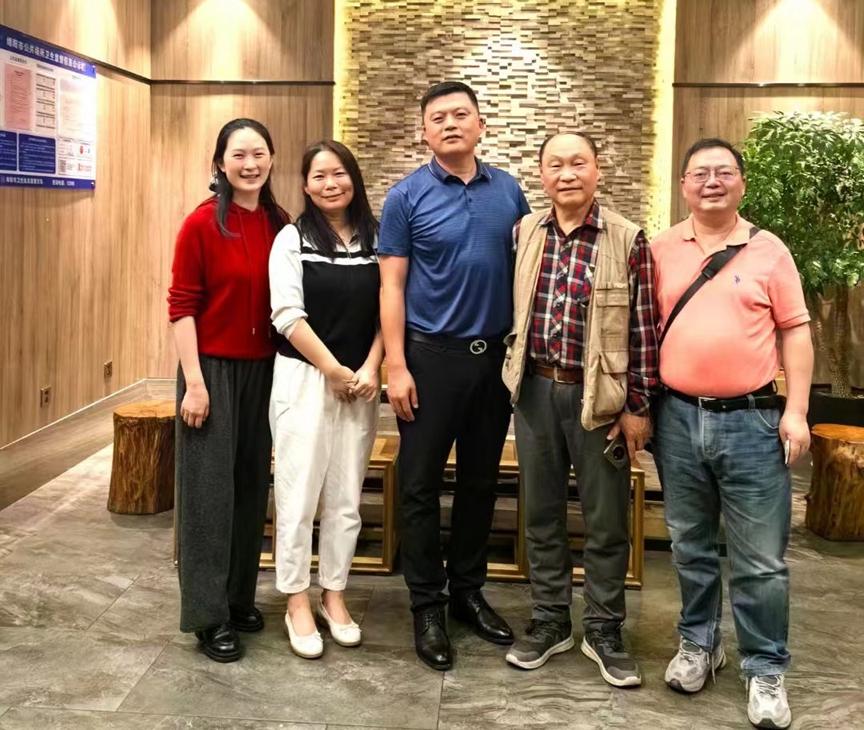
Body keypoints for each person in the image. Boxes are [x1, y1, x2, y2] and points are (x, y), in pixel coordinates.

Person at [651, 138, 813, 729]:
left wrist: (797, 411)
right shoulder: (661, 248)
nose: (711, 182)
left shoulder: (769, 250)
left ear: (741, 183)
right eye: (700, 173)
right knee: (689, 544)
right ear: (684, 185)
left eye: (723, 172)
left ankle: (765, 667)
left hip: (752, 420)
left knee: (760, 559)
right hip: (675, 418)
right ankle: (699, 643)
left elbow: (795, 330)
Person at [378, 81, 530, 671]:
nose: (450, 124)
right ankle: (427, 605)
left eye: (460, 114)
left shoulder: (509, 191)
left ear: (480, 125)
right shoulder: (405, 196)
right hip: (428, 360)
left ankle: (468, 591)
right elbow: (391, 285)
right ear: (424, 132)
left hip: (492, 361)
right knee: (419, 486)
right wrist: (396, 365)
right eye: (437, 117)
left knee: (480, 482)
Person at [501, 132, 658, 686]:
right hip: (536, 392)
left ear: (597, 170)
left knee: (606, 520)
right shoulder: (524, 232)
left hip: (602, 402)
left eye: (578, 163)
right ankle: (550, 619)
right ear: (541, 174)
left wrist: (637, 406)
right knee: (540, 513)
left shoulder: (627, 238)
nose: (567, 174)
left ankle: (604, 627)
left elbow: (644, 330)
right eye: (556, 165)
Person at [168, 118, 289, 662]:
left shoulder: (280, 223)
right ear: (220, 163)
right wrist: (194, 383)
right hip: (210, 373)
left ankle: (238, 598)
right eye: (238, 155)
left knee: (248, 490)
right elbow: (181, 307)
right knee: (207, 497)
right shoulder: (200, 224)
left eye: (258, 153)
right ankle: (207, 614)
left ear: (271, 159)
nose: (249, 164)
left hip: (264, 372)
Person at [269, 140, 382, 659]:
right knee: (298, 496)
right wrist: (331, 370)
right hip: (305, 379)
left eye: (338, 173)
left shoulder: (376, 237)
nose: (330, 183)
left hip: (360, 382)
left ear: (353, 179)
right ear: (305, 185)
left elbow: (390, 309)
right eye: (318, 176)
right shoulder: (292, 238)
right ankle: (296, 599)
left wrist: (371, 367)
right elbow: (287, 315)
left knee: (345, 498)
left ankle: (334, 594)